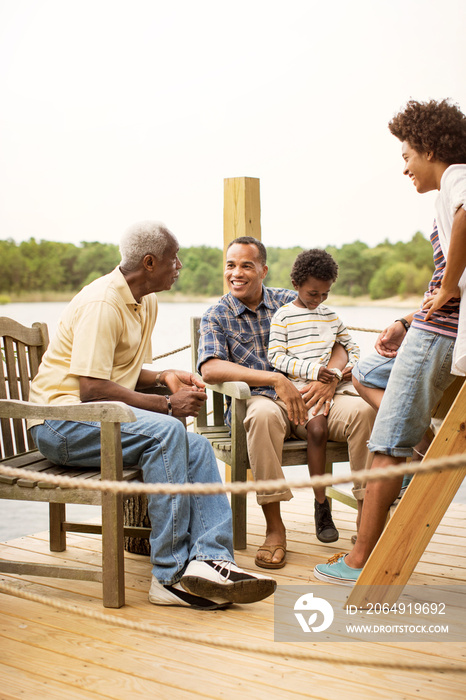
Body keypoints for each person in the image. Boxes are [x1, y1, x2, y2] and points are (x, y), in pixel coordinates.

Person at [27, 220, 276, 610]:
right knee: (167, 433)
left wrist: (163, 375)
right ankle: (170, 575)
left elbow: (119, 373)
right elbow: (91, 388)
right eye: (172, 258)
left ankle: (213, 561)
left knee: (195, 446)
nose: (179, 265)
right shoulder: (102, 304)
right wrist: (165, 405)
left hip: (100, 419)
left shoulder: (146, 301)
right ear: (148, 262)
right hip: (61, 426)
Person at [314, 98, 466, 586]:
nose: (405, 168)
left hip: (436, 335)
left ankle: (358, 562)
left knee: (384, 446)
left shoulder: (456, 179)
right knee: (365, 372)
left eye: (406, 156)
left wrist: (442, 292)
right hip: (427, 330)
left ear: (428, 148)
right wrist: (406, 317)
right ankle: (421, 439)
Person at [197, 236, 375, 568]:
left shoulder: (288, 300)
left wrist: (332, 375)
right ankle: (275, 529)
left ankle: (365, 521)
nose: (236, 273)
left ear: (263, 270)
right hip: (268, 401)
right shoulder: (217, 315)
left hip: (315, 396)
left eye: (246, 265)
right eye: (230, 265)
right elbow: (210, 368)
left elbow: (336, 341)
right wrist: (275, 379)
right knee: (260, 417)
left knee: (365, 411)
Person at [268, 248, 368, 544]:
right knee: (318, 428)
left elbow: (355, 349)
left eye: (325, 294)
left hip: (334, 388)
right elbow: (277, 358)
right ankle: (321, 503)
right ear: (297, 284)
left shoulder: (331, 316)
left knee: (367, 411)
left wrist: (337, 373)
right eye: (313, 294)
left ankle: (367, 503)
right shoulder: (284, 316)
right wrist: (315, 370)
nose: (318, 300)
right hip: (302, 391)